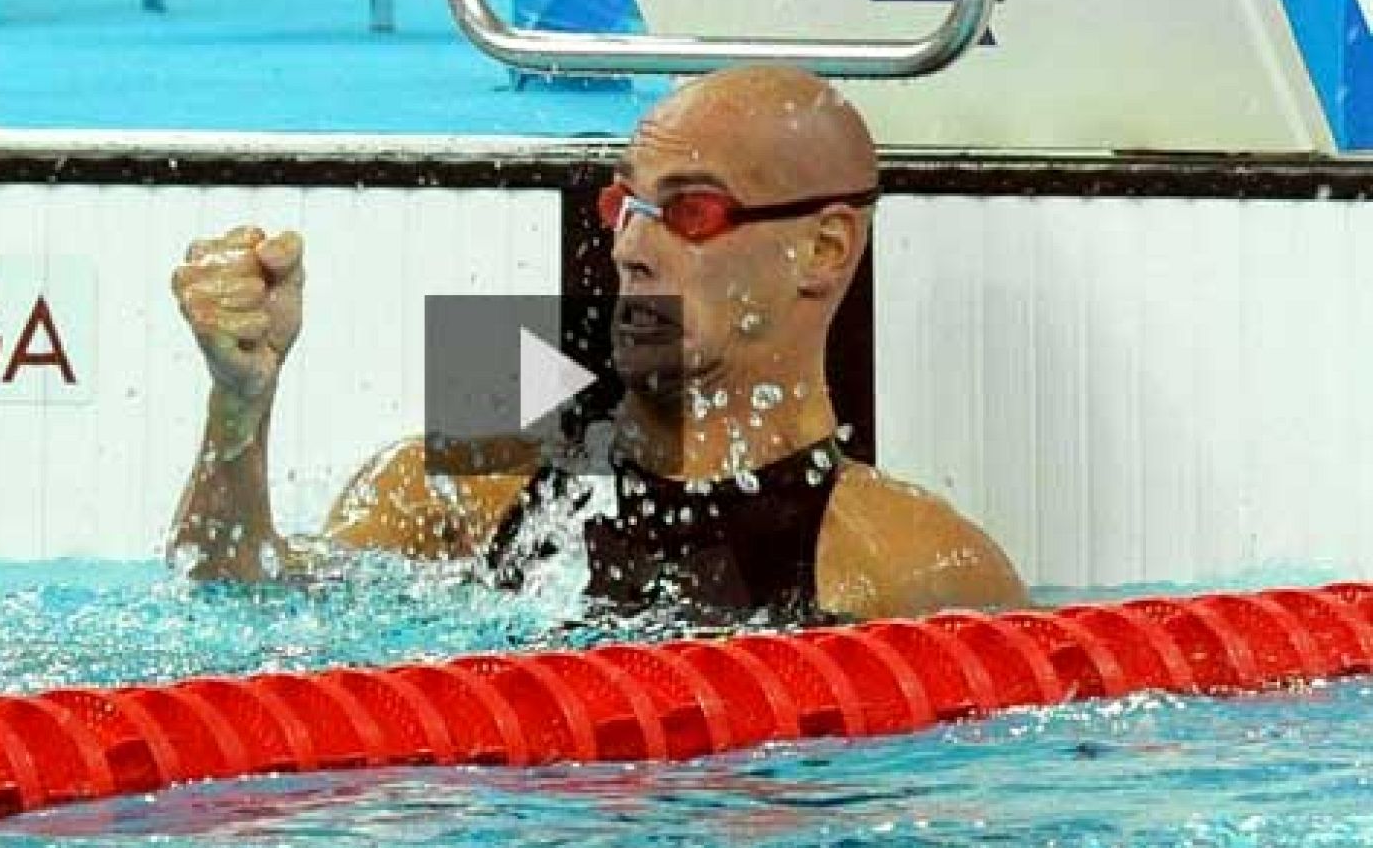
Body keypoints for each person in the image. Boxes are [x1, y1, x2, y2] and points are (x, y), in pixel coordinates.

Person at [167, 65, 1029, 623]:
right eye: (626, 206)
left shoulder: (913, 565)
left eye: (690, 211)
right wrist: (239, 410)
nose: (630, 246)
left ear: (825, 248)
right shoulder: (478, 481)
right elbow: (241, 601)